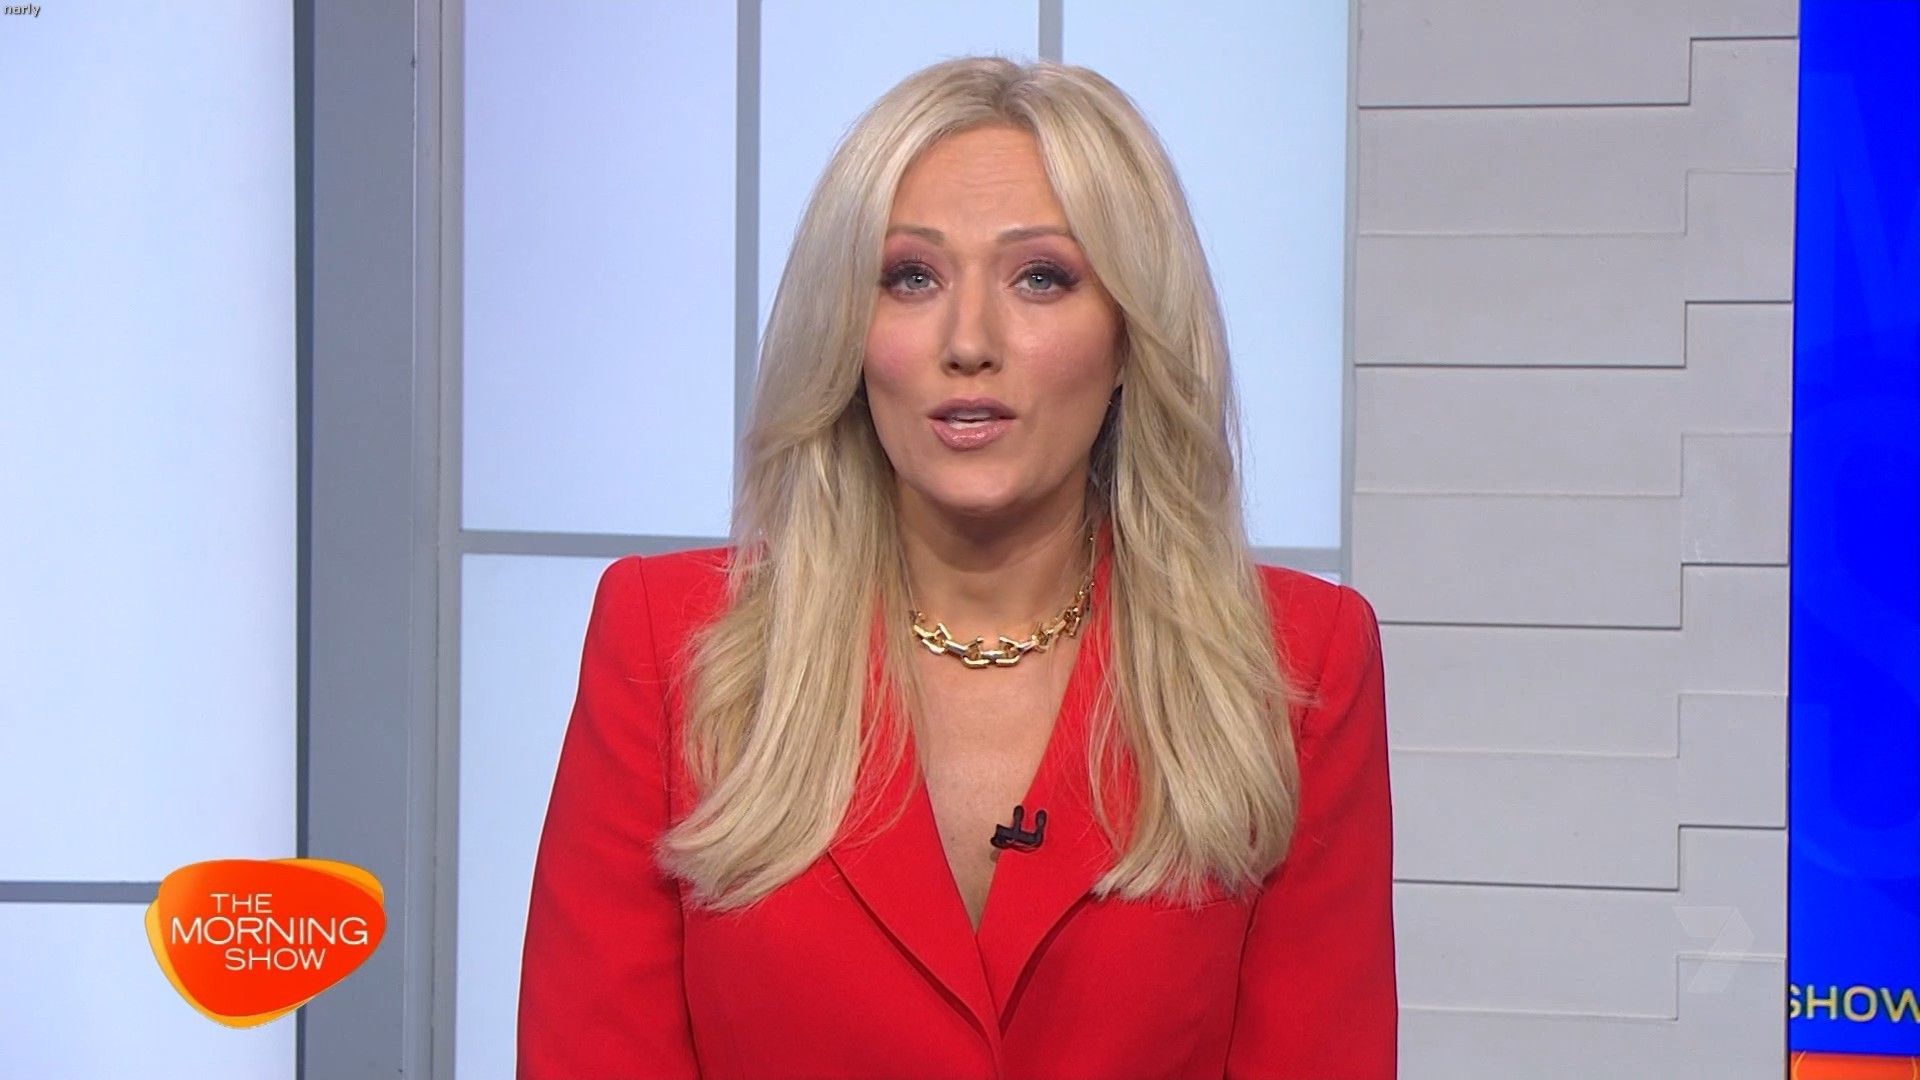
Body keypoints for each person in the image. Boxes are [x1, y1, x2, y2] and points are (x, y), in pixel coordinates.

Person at [516, 55, 1395, 1080]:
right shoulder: (666, 644)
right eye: (912, 277)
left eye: (1041, 277)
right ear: (848, 334)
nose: (968, 341)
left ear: (1130, 337)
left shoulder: (1297, 668)